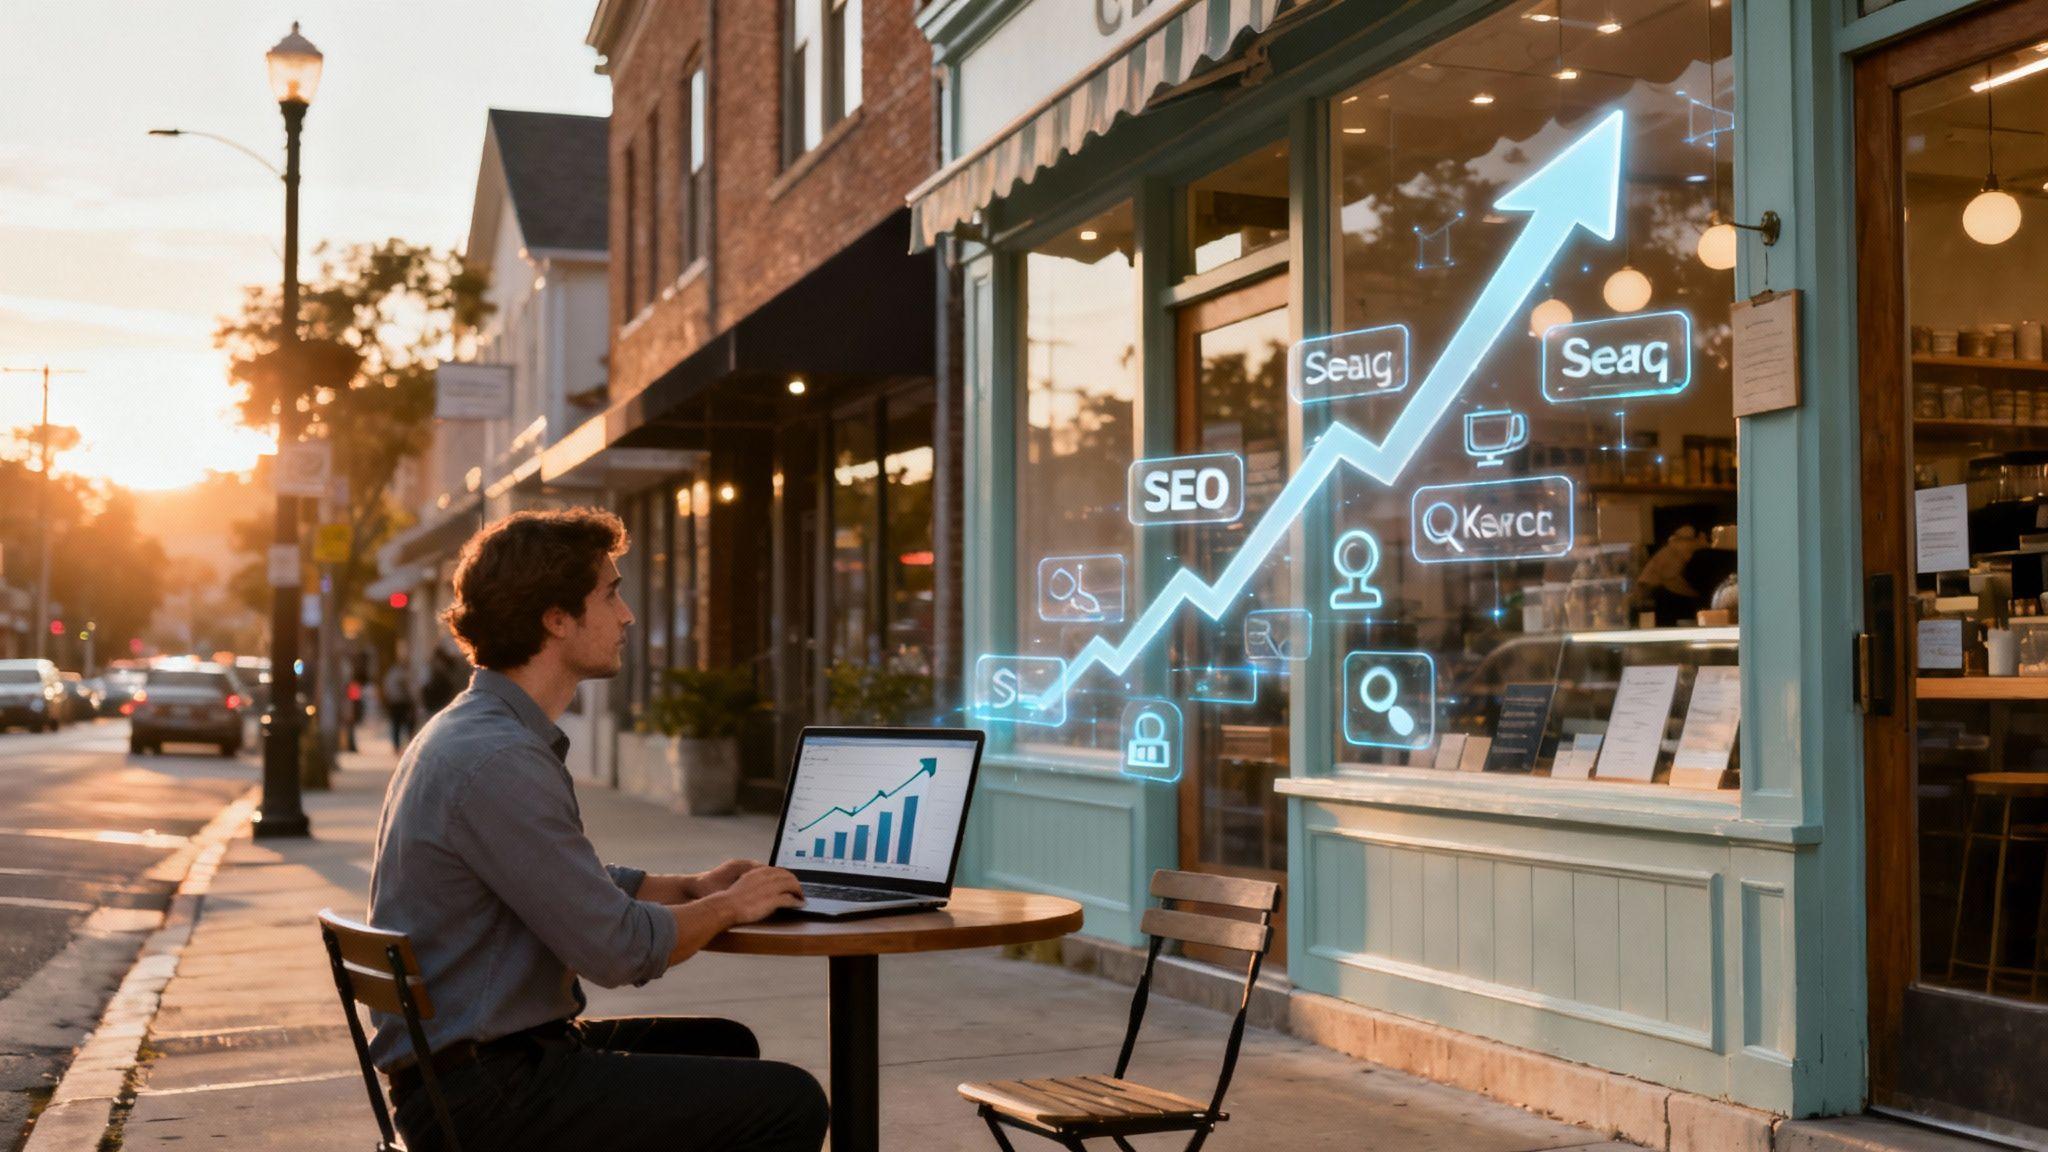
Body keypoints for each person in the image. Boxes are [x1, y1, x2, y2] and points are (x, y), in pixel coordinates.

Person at [366, 509, 825, 1152]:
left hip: (474, 1071)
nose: (627, 615)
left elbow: (562, 884)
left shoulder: (475, 732)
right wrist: (731, 906)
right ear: (556, 618)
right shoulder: (499, 758)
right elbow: (619, 949)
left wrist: (691, 886)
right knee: (789, 1103)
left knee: (726, 1047)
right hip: (488, 1097)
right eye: (610, 593)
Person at [380, 659, 417, 751]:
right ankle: (408, 744)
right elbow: (407, 688)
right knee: (407, 724)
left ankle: (397, 746)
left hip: (394, 702)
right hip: (403, 702)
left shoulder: (390, 674)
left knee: (396, 725)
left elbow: (386, 689)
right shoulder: (402, 674)